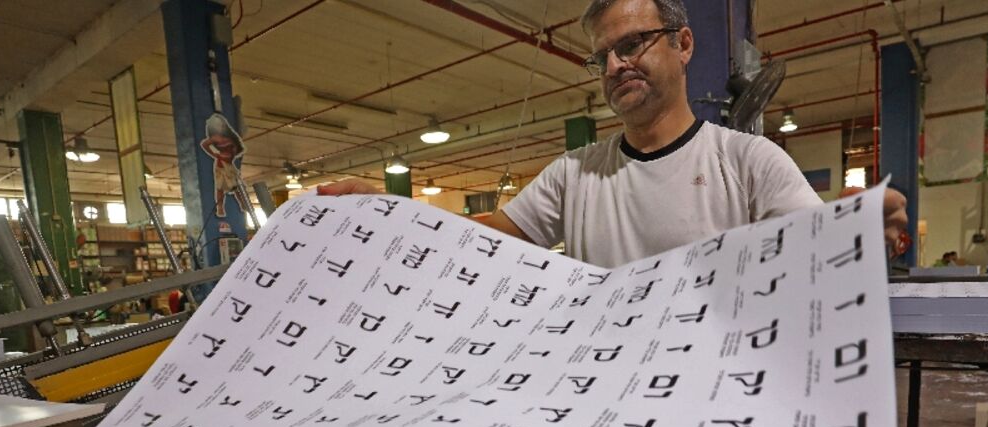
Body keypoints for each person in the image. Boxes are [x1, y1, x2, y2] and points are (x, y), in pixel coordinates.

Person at [320, 0, 908, 268]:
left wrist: (855, 231)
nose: (614, 67)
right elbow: (488, 235)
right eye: (601, 57)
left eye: (631, 45)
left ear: (683, 44)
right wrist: (387, 210)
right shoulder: (574, 174)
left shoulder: (748, 161)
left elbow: (812, 243)